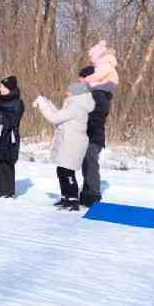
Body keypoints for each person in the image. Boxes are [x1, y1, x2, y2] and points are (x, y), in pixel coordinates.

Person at [34, 81, 96, 211]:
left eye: (68, 91)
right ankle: (65, 197)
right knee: (61, 170)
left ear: (75, 93)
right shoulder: (73, 104)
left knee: (67, 172)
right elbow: (59, 117)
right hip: (68, 142)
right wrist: (47, 102)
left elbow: (54, 118)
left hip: (73, 143)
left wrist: (42, 104)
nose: (66, 93)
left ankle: (73, 200)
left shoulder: (76, 106)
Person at [78, 41, 118, 207]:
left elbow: (97, 115)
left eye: (82, 80)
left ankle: (93, 194)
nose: (80, 83)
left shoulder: (99, 94)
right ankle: (86, 194)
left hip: (94, 135)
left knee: (90, 161)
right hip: (87, 133)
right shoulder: (89, 95)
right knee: (85, 162)